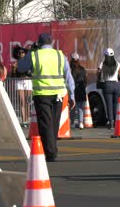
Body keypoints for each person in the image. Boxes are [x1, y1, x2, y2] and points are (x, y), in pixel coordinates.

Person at [18, 33, 76, 162]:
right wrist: (72, 95)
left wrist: (31, 51)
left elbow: (21, 67)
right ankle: (52, 149)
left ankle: (51, 153)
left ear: (38, 43)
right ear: (51, 42)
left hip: (42, 94)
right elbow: (68, 76)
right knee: (54, 124)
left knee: (46, 124)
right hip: (59, 95)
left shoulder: (35, 55)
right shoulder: (60, 55)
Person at [98, 48, 120, 129]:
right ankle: (116, 122)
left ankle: (111, 123)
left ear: (105, 55)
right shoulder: (117, 64)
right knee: (116, 105)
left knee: (109, 105)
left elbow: (98, 74)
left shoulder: (102, 64)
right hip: (117, 85)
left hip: (107, 85)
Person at [11, 46, 32, 125]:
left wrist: (27, 74)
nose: (21, 54)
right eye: (19, 53)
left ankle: (27, 118)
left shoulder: (28, 62)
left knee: (28, 101)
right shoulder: (15, 63)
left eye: (22, 52)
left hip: (28, 81)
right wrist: (13, 69)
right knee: (22, 101)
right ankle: (24, 120)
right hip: (19, 82)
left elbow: (31, 73)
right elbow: (13, 76)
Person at [70, 52, 87, 129]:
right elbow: (85, 81)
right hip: (81, 89)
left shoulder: (70, 69)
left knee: (72, 107)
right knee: (80, 107)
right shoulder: (82, 69)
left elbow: (69, 80)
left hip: (73, 89)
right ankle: (81, 123)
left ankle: (72, 122)